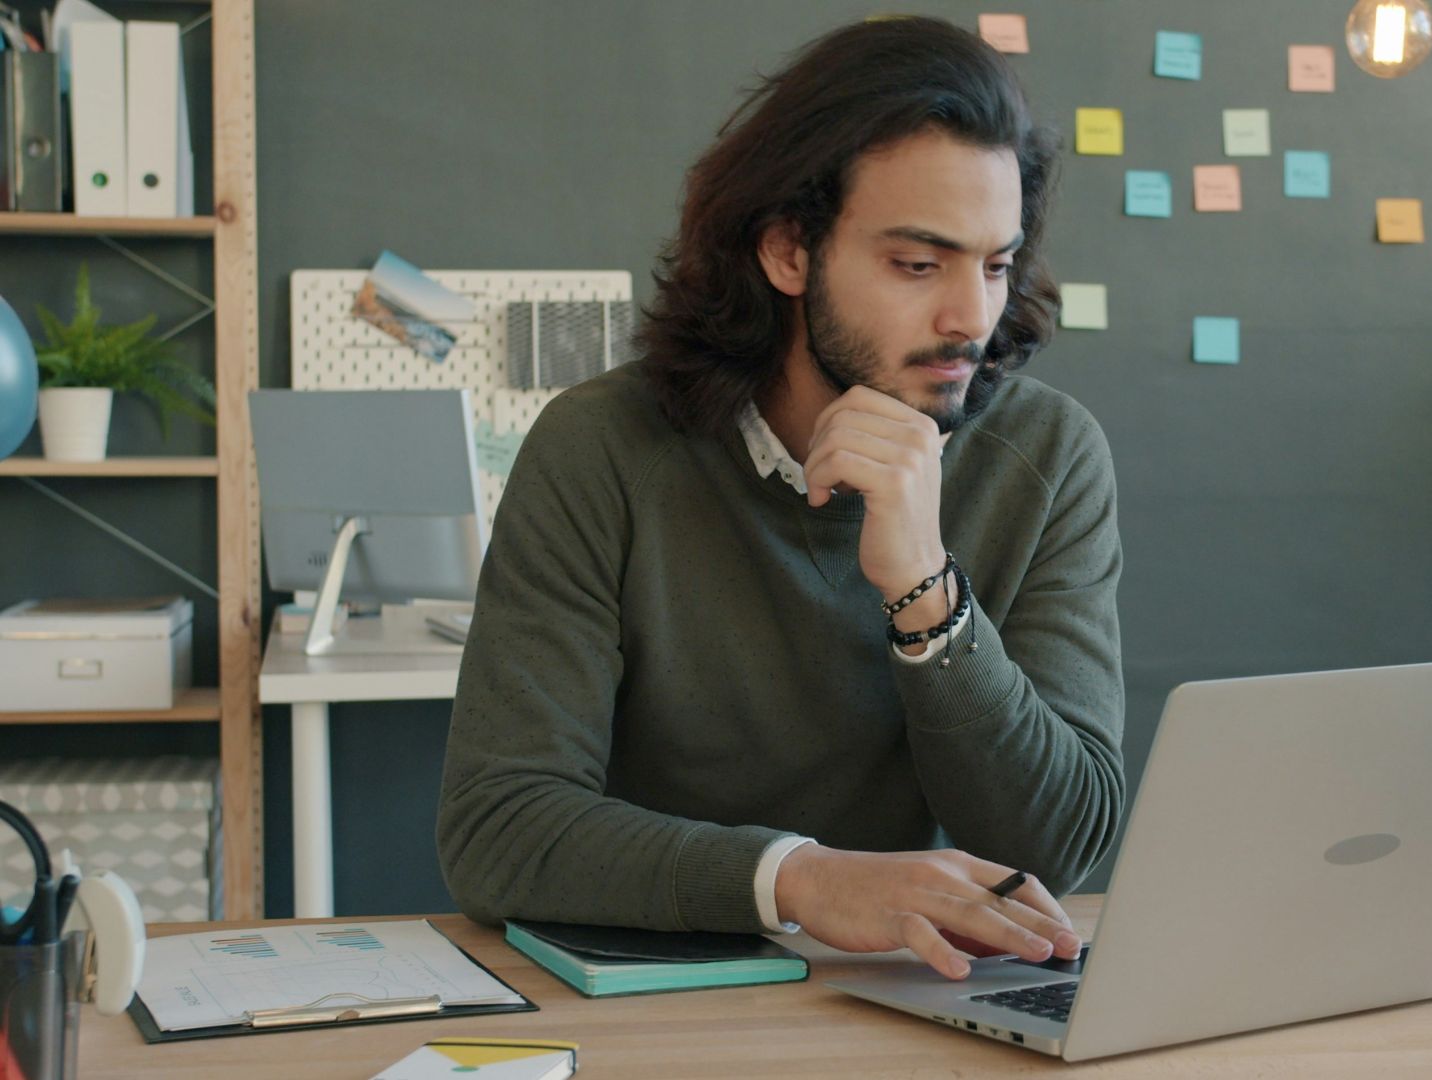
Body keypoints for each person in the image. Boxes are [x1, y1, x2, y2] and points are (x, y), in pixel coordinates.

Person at [436, 15, 1124, 982]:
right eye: (918, 264)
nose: (971, 316)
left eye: (996, 265)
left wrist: (928, 594)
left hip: (931, 998)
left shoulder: (1047, 456)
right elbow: (499, 827)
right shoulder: (600, 449)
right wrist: (800, 881)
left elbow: (1058, 847)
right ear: (788, 251)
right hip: (664, 1001)